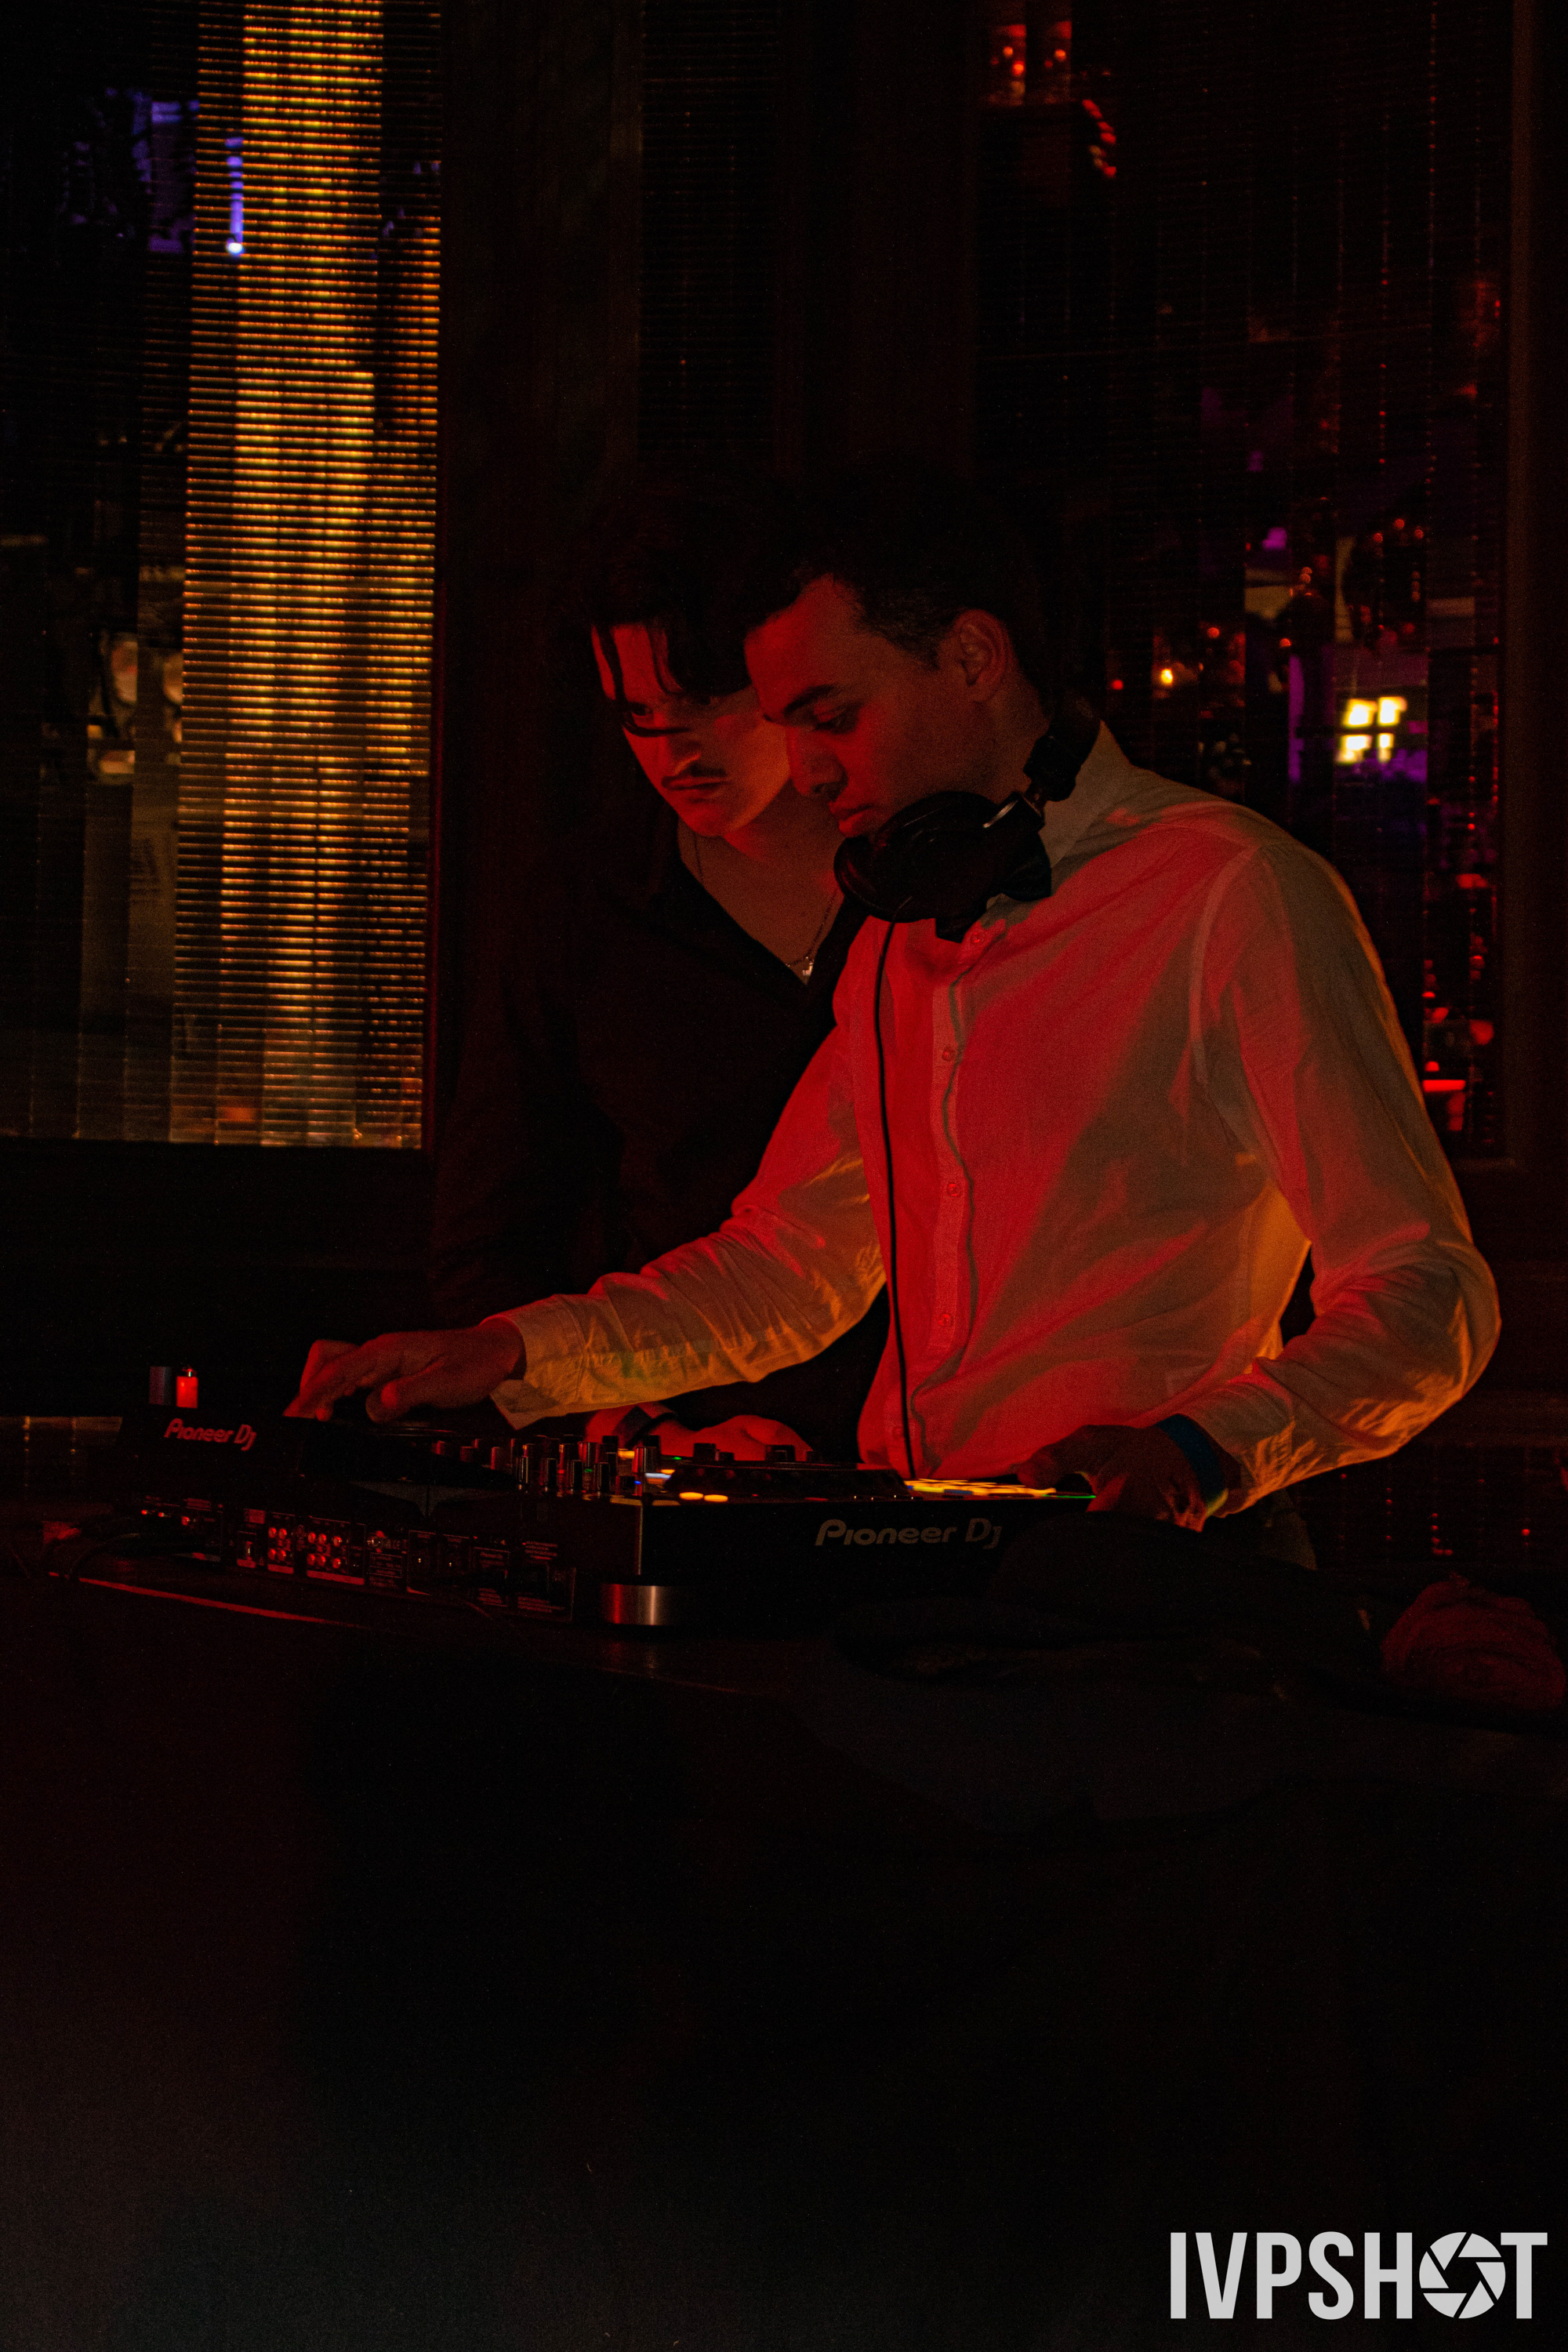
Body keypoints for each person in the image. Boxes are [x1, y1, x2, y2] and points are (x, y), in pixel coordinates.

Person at [293, 466, 1498, 1535]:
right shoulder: (900, 937)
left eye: (834, 718)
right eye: (790, 727)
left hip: (1151, 1589)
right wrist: (510, 1352)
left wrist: (1200, 1451)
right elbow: (792, 1264)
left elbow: (1426, 1292)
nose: (811, 770)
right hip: (926, 1565)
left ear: (972, 658)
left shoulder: (1229, 893)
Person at [426, 466, 886, 1460]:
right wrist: (633, 1429)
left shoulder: (933, 888)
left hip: (948, 1452)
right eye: (638, 716)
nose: (675, 752)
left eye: (710, 701)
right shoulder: (587, 907)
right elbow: (490, 1236)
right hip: (681, 1444)